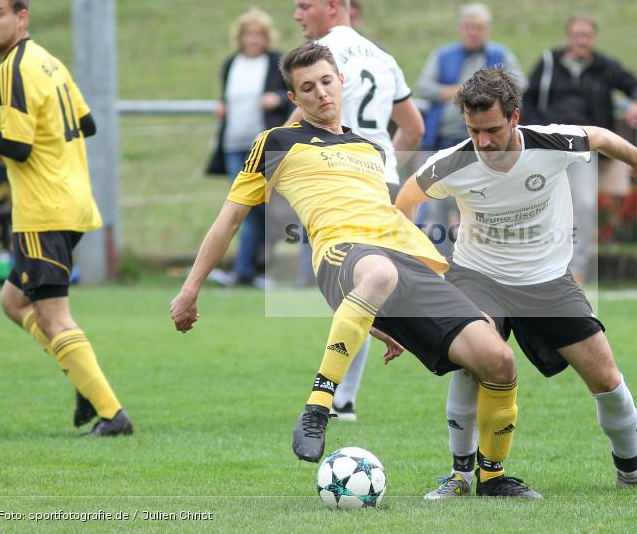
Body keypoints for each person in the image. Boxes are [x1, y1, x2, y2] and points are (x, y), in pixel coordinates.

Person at [170, 43, 539, 497]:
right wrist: (190, 290)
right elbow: (229, 218)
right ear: (293, 99)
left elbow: (386, 217)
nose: (321, 93)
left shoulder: (368, 147)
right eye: (307, 88)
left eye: (326, 81)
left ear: (340, 81)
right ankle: (319, 406)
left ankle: (492, 478)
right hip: (342, 253)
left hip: (404, 259)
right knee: (379, 274)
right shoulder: (276, 142)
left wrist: (378, 318)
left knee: (498, 359)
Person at [395, 67, 637, 497]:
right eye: (474, 131)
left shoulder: (551, 143)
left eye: (491, 129)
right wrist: (423, 270)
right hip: (478, 275)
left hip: (548, 280)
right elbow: (404, 204)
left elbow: (600, 136)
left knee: (606, 377)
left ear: (514, 117)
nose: (483, 142)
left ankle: (632, 469)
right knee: (478, 361)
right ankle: (460, 476)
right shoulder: (452, 163)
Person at [0, 0, 132, 436]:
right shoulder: (48, 61)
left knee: (54, 316)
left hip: (43, 210)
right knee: (12, 301)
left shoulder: (14, 69)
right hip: (70, 201)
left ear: (21, 16)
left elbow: (19, 147)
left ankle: (111, 414)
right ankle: (81, 377)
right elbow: (86, 123)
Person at [289, 0, 425, 420]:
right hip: (377, 178)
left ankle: (335, 396)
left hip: (336, 178)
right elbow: (414, 127)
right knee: (367, 286)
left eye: (304, 6)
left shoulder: (321, 58)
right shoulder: (383, 58)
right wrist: (386, 169)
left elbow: (296, 126)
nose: (296, 16)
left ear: (332, 7)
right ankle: (344, 396)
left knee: (350, 284)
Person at [522, 14, 637, 282]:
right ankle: (542, 268)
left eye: (586, 35)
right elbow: (526, 101)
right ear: (568, 36)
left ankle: (577, 270)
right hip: (549, 148)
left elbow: (635, 85)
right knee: (543, 208)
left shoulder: (603, 67)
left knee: (585, 205)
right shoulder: (548, 63)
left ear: (593, 38)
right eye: (576, 35)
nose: (581, 40)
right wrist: (536, 135)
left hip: (585, 149)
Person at [414, 3, 526, 256]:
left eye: (478, 28)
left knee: (480, 200)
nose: (473, 32)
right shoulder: (442, 55)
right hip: (440, 140)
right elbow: (423, 87)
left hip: (483, 144)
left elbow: (520, 84)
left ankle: (483, 258)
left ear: (487, 30)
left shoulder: (501, 54)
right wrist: (460, 93)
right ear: (460, 29)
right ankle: (440, 260)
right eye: (468, 27)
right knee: (436, 203)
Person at [205, 8, 293, 288]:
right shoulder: (231, 64)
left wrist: (276, 99)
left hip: (264, 145)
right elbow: (228, 95)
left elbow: (292, 95)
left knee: (259, 207)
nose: (253, 39)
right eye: (248, 34)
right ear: (240, 37)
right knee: (243, 205)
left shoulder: (276, 62)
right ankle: (246, 270)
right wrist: (223, 107)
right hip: (234, 143)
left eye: (258, 34)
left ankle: (256, 268)